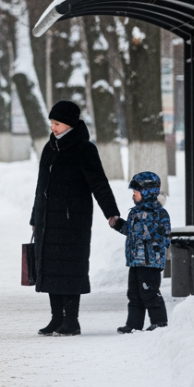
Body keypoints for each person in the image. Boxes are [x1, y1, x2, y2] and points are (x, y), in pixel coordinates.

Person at [31, 100, 121, 336]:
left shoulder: (84, 149)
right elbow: (41, 186)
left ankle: (71, 320)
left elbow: (99, 183)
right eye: (51, 122)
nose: (53, 127)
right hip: (48, 221)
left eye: (57, 123)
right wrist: (35, 215)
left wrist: (111, 212)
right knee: (51, 270)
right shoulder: (49, 148)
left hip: (73, 221)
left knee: (69, 270)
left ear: (70, 124)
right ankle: (55, 319)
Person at [110, 172, 171, 333]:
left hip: (150, 263)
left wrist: (149, 231)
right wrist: (118, 224)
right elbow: (131, 231)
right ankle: (134, 324)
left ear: (146, 192)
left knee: (149, 293)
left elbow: (162, 235)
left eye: (136, 192)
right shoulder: (135, 212)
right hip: (136, 262)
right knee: (134, 294)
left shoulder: (159, 214)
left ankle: (159, 322)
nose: (133, 195)